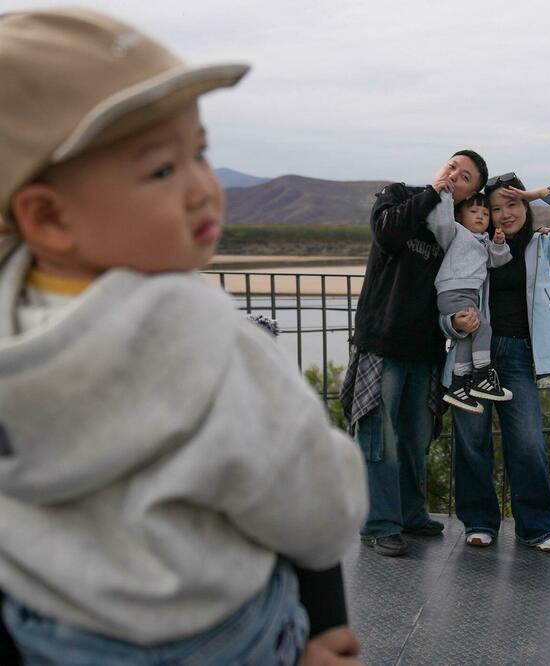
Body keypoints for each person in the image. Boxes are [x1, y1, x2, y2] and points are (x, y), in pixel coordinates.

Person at [0, 9, 367, 665]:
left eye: (200, 153)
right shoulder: (205, 336)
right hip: (212, 638)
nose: (205, 189)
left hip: (45, 630)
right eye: (163, 170)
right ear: (50, 216)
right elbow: (316, 509)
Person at [342, 150, 487, 557]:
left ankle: (409, 514)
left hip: (425, 348)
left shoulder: (455, 231)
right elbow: (386, 234)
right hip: (382, 341)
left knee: (415, 436)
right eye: (453, 167)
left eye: (466, 176)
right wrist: (431, 193)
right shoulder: (400, 195)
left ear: (472, 191)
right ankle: (378, 524)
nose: (456, 175)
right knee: (379, 436)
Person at [444, 172, 550, 552]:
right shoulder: (469, 246)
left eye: (513, 204)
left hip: (518, 355)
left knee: (527, 443)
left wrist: (545, 193)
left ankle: (537, 528)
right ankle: (479, 522)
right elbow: (447, 294)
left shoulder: (543, 247)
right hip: (470, 353)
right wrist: (450, 323)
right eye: (495, 208)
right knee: (472, 442)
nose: (505, 214)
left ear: (525, 206)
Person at [428, 191, 513, 413]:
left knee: (468, 335)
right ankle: (482, 377)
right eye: (473, 211)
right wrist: (446, 195)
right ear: (459, 215)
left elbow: (495, 262)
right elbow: (442, 221)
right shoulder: (457, 232)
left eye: (485, 213)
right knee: (483, 328)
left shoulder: (483, 240)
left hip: (465, 294)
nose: (480, 216)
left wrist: (497, 244)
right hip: (454, 291)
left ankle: (458, 387)